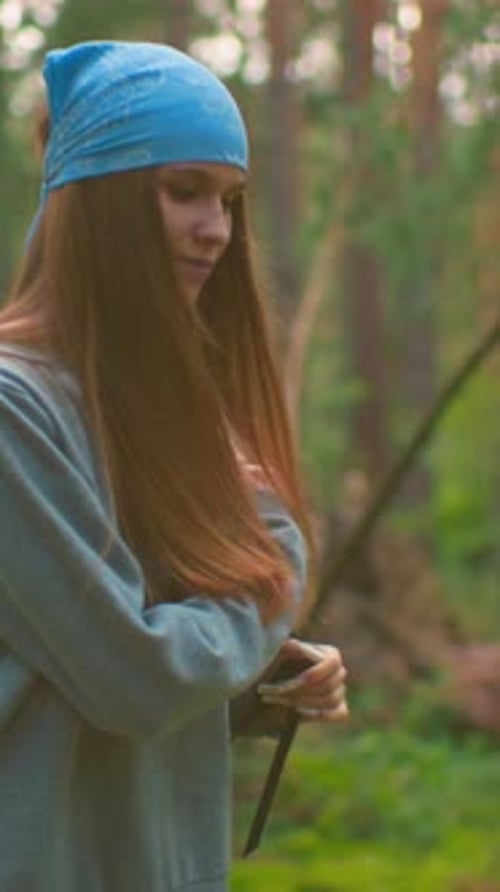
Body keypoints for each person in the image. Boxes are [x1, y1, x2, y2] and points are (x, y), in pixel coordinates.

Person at [0, 40, 347, 891]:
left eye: (228, 200)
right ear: (97, 201)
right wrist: (272, 560)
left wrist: (257, 679)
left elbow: (76, 669)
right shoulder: (14, 409)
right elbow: (137, 675)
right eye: (183, 190)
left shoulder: (143, 409)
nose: (216, 230)